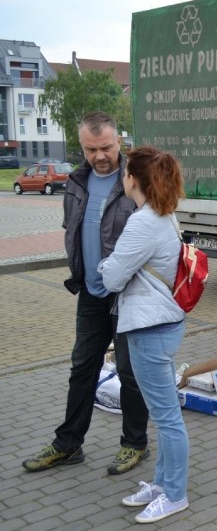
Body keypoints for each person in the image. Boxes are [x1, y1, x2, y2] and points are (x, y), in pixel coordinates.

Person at [21, 112, 150, 476]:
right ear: (82, 147)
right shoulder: (76, 181)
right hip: (91, 294)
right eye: (91, 149)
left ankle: (135, 444)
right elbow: (73, 231)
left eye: (106, 147)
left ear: (119, 142)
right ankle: (68, 443)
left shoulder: (137, 179)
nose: (100, 156)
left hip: (130, 296)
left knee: (129, 373)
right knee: (82, 368)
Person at [98, 146, 189, 524]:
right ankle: (162, 482)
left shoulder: (143, 221)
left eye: (124, 173)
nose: (122, 177)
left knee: (166, 417)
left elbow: (112, 276)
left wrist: (106, 265)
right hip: (163, 323)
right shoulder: (164, 215)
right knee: (163, 412)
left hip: (149, 328)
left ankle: (175, 494)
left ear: (132, 179)